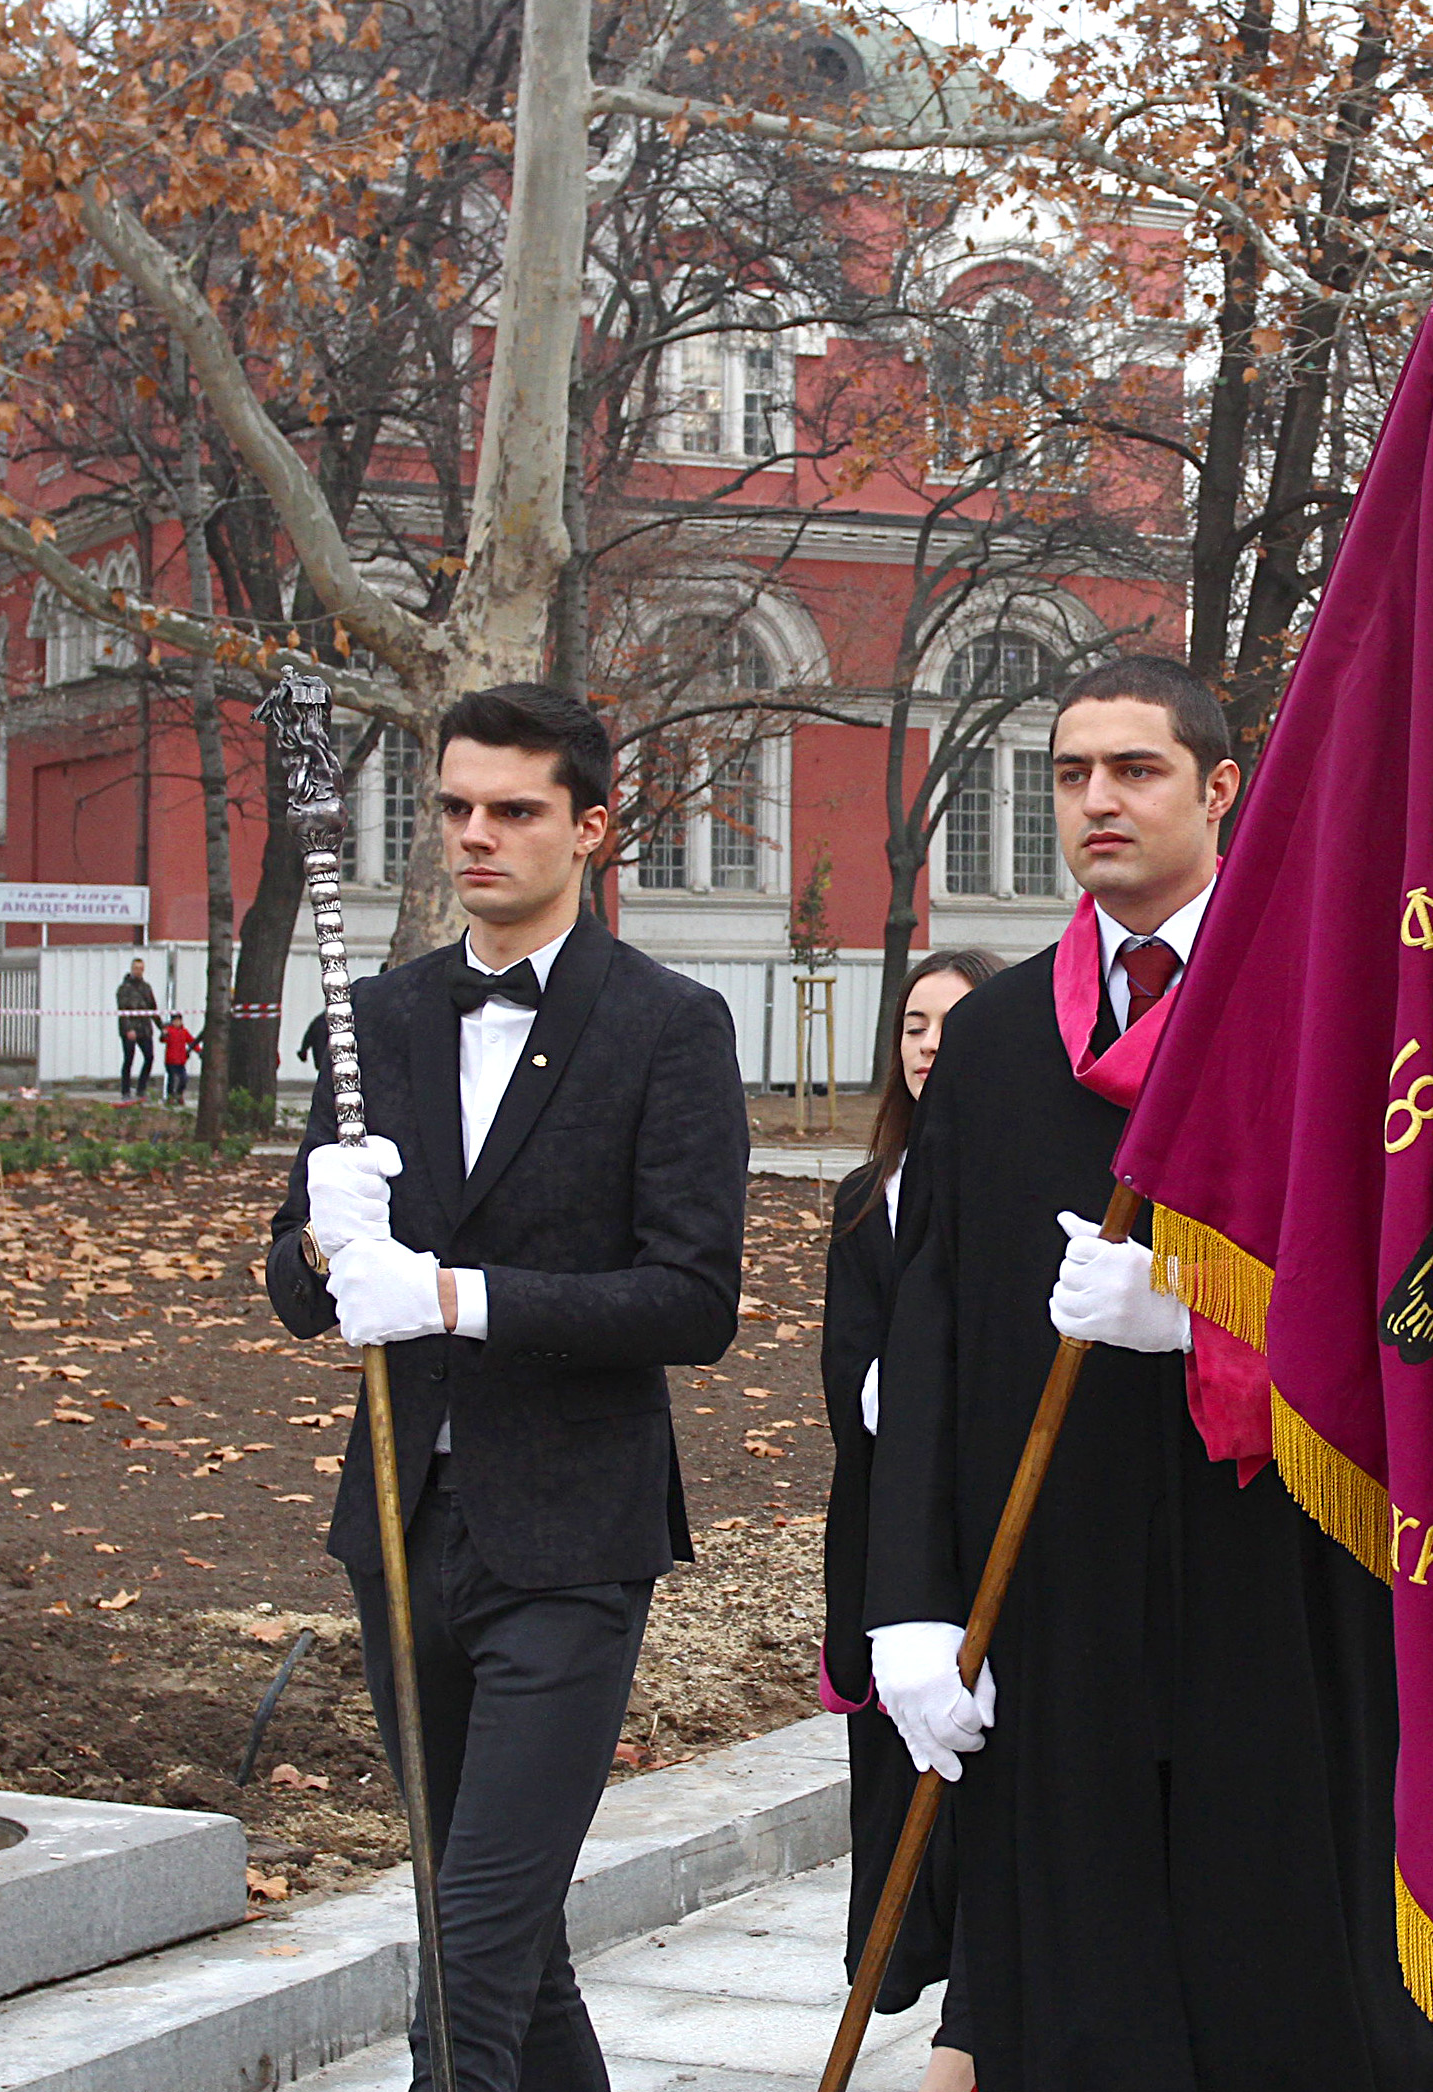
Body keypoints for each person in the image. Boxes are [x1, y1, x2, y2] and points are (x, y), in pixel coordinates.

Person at [864, 656, 1433, 2091]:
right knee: (1078, 1976)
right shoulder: (998, 1037)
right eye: (1072, 774)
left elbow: (1421, 1297)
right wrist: (909, 1602)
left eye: (1135, 770)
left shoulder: (1330, 1017)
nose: (1098, 801)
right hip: (1054, 1577)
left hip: (1279, 1569)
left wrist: (1206, 1325)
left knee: (1281, 1968)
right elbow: (926, 1329)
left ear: (1220, 787)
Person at [262, 683, 750, 2092]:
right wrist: (323, 1236)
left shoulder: (667, 1024)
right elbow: (298, 1291)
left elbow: (693, 1300)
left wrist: (451, 1296)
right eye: (456, 807)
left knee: (466, 1953)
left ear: (590, 827)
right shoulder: (373, 1018)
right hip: (402, 1528)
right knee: (508, 1946)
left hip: (571, 1542)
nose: (476, 834)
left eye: (515, 810)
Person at [822, 945, 1002, 2092]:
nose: (930, 1045)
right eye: (914, 1024)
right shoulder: (864, 1198)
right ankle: (921, 1994)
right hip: (886, 1536)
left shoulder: (1024, 1182)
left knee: (1000, 1792)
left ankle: (970, 2038)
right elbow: (850, 1387)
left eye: (955, 1023)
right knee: (899, 1792)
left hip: (1000, 1535)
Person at [115, 958, 158, 1103]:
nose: (138, 971)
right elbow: (122, 1011)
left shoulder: (146, 987)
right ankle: (125, 1091)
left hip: (144, 1029)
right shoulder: (124, 988)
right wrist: (128, 1029)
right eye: (136, 968)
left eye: (141, 968)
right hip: (130, 1030)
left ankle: (141, 1089)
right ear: (131, 969)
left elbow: (152, 1008)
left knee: (149, 1057)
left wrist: (162, 1027)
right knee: (129, 1059)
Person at [160, 1015, 199, 1104]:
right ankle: (170, 1096)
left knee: (184, 1079)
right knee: (172, 1080)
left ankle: (179, 1094)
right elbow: (163, 1040)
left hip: (181, 1060)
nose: (177, 1023)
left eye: (179, 1021)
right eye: (175, 1021)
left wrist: (199, 1051)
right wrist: (163, 1034)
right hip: (170, 1060)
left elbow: (192, 1041)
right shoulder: (169, 1031)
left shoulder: (184, 1032)